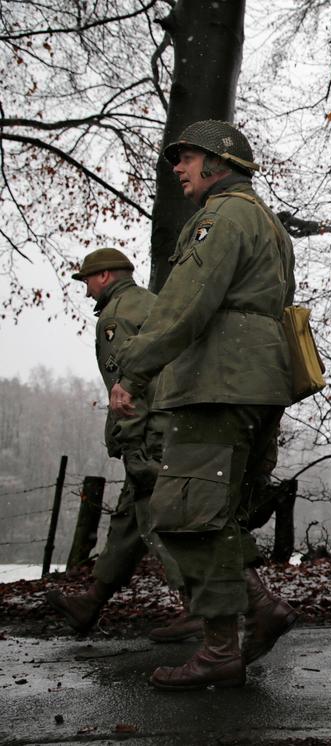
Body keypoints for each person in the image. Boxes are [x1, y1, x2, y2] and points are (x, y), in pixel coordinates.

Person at [109, 120, 298, 689]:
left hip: (219, 381)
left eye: (187, 158)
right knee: (219, 514)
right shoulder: (268, 222)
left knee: (185, 513)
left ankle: (220, 649)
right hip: (259, 380)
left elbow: (185, 304)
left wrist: (134, 372)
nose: (177, 168)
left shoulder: (221, 217)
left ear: (219, 163)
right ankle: (260, 607)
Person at [45, 249, 200, 643]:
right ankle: (91, 602)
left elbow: (128, 386)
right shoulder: (153, 304)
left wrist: (132, 442)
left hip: (149, 432)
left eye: (87, 280)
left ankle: (198, 605)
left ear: (105, 276)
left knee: (155, 518)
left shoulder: (115, 318)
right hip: (172, 422)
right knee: (129, 520)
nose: (86, 290)